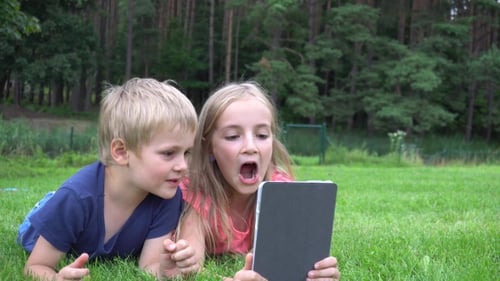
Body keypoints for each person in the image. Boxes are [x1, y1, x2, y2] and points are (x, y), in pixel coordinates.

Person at [17, 78, 199, 280]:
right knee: (59, 204)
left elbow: (149, 265)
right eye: (168, 153)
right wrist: (55, 278)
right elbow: (36, 266)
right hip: (48, 219)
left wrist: (165, 271)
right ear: (121, 152)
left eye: (187, 153)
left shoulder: (167, 196)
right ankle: (48, 204)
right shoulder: (76, 199)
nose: (183, 166)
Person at [177, 81, 341, 281]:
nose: (250, 147)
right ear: (209, 146)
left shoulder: (281, 193)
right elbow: (191, 268)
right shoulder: (197, 194)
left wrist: (318, 273)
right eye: (233, 136)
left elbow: (290, 260)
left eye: (262, 135)